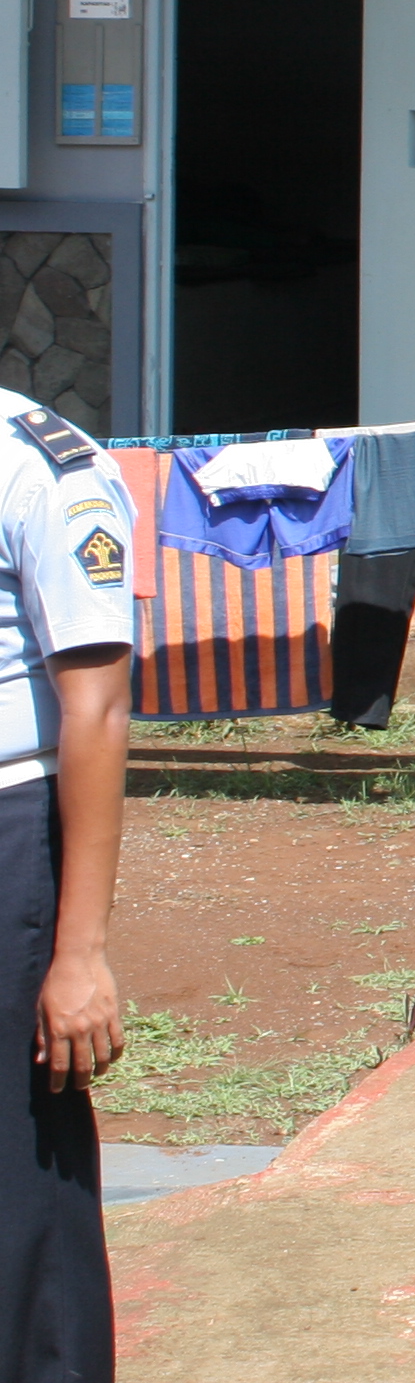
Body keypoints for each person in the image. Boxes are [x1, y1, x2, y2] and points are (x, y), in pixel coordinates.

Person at [0, 390, 130, 1383]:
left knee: (24, 1168)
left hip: (10, 838)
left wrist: (79, 951)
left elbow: (96, 705)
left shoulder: (41, 464)